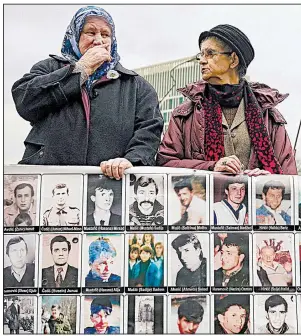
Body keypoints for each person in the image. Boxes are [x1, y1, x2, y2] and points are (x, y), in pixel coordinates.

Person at [11, 6, 163, 180]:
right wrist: (80, 70)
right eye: (90, 32)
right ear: (75, 36)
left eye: (105, 35)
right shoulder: (48, 68)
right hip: (48, 183)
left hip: (107, 185)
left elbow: (149, 130)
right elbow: (25, 101)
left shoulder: (136, 86)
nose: (98, 40)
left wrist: (132, 160)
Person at [157, 24, 297, 176]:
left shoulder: (269, 116)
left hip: (257, 200)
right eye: (201, 55)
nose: (202, 61)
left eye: (210, 54)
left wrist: (268, 179)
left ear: (233, 60)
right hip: (203, 199)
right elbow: (165, 162)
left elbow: (288, 175)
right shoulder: (184, 114)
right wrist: (211, 167)